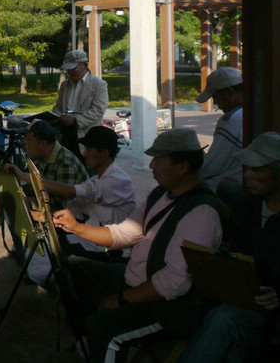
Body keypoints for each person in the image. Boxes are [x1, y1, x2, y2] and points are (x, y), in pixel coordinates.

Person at [53, 128, 223, 363]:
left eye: (158, 159)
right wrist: (77, 228)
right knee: (73, 269)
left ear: (183, 166)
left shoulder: (201, 214)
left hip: (167, 307)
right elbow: (126, 232)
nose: (151, 165)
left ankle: (102, 343)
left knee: (103, 329)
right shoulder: (161, 194)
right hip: (137, 279)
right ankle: (89, 343)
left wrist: (122, 299)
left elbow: (174, 282)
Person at [179, 131, 280, 363]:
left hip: (275, 315)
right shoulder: (247, 205)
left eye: (257, 169)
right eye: (246, 168)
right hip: (244, 299)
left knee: (225, 319)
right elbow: (236, 254)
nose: (247, 175)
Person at [9, 126, 135, 288]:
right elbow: (72, 211)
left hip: (115, 252)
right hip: (99, 241)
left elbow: (71, 192)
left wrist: (25, 178)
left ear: (104, 154)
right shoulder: (97, 179)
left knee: (49, 262)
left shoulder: (117, 180)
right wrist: (32, 214)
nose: (84, 154)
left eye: (89, 150)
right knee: (43, 247)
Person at [196, 67, 243, 202]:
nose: (215, 102)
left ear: (229, 92)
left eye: (215, 97)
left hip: (230, 194)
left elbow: (210, 167)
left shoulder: (231, 120)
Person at [51, 50, 109, 161]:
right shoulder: (65, 85)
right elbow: (58, 107)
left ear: (85, 65)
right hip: (66, 134)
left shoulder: (99, 84)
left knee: (88, 171)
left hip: (87, 135)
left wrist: (75, 120)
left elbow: (98, 110)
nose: (71, 72)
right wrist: (55, 116)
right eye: (68, 70)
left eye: (74, 69)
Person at [5, 119, 88, 194]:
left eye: (29, 141)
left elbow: (65, 206)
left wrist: (25, 178)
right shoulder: (42, 156)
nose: (27, 146)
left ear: (43, 144)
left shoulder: (65, 163)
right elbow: (34, 189)